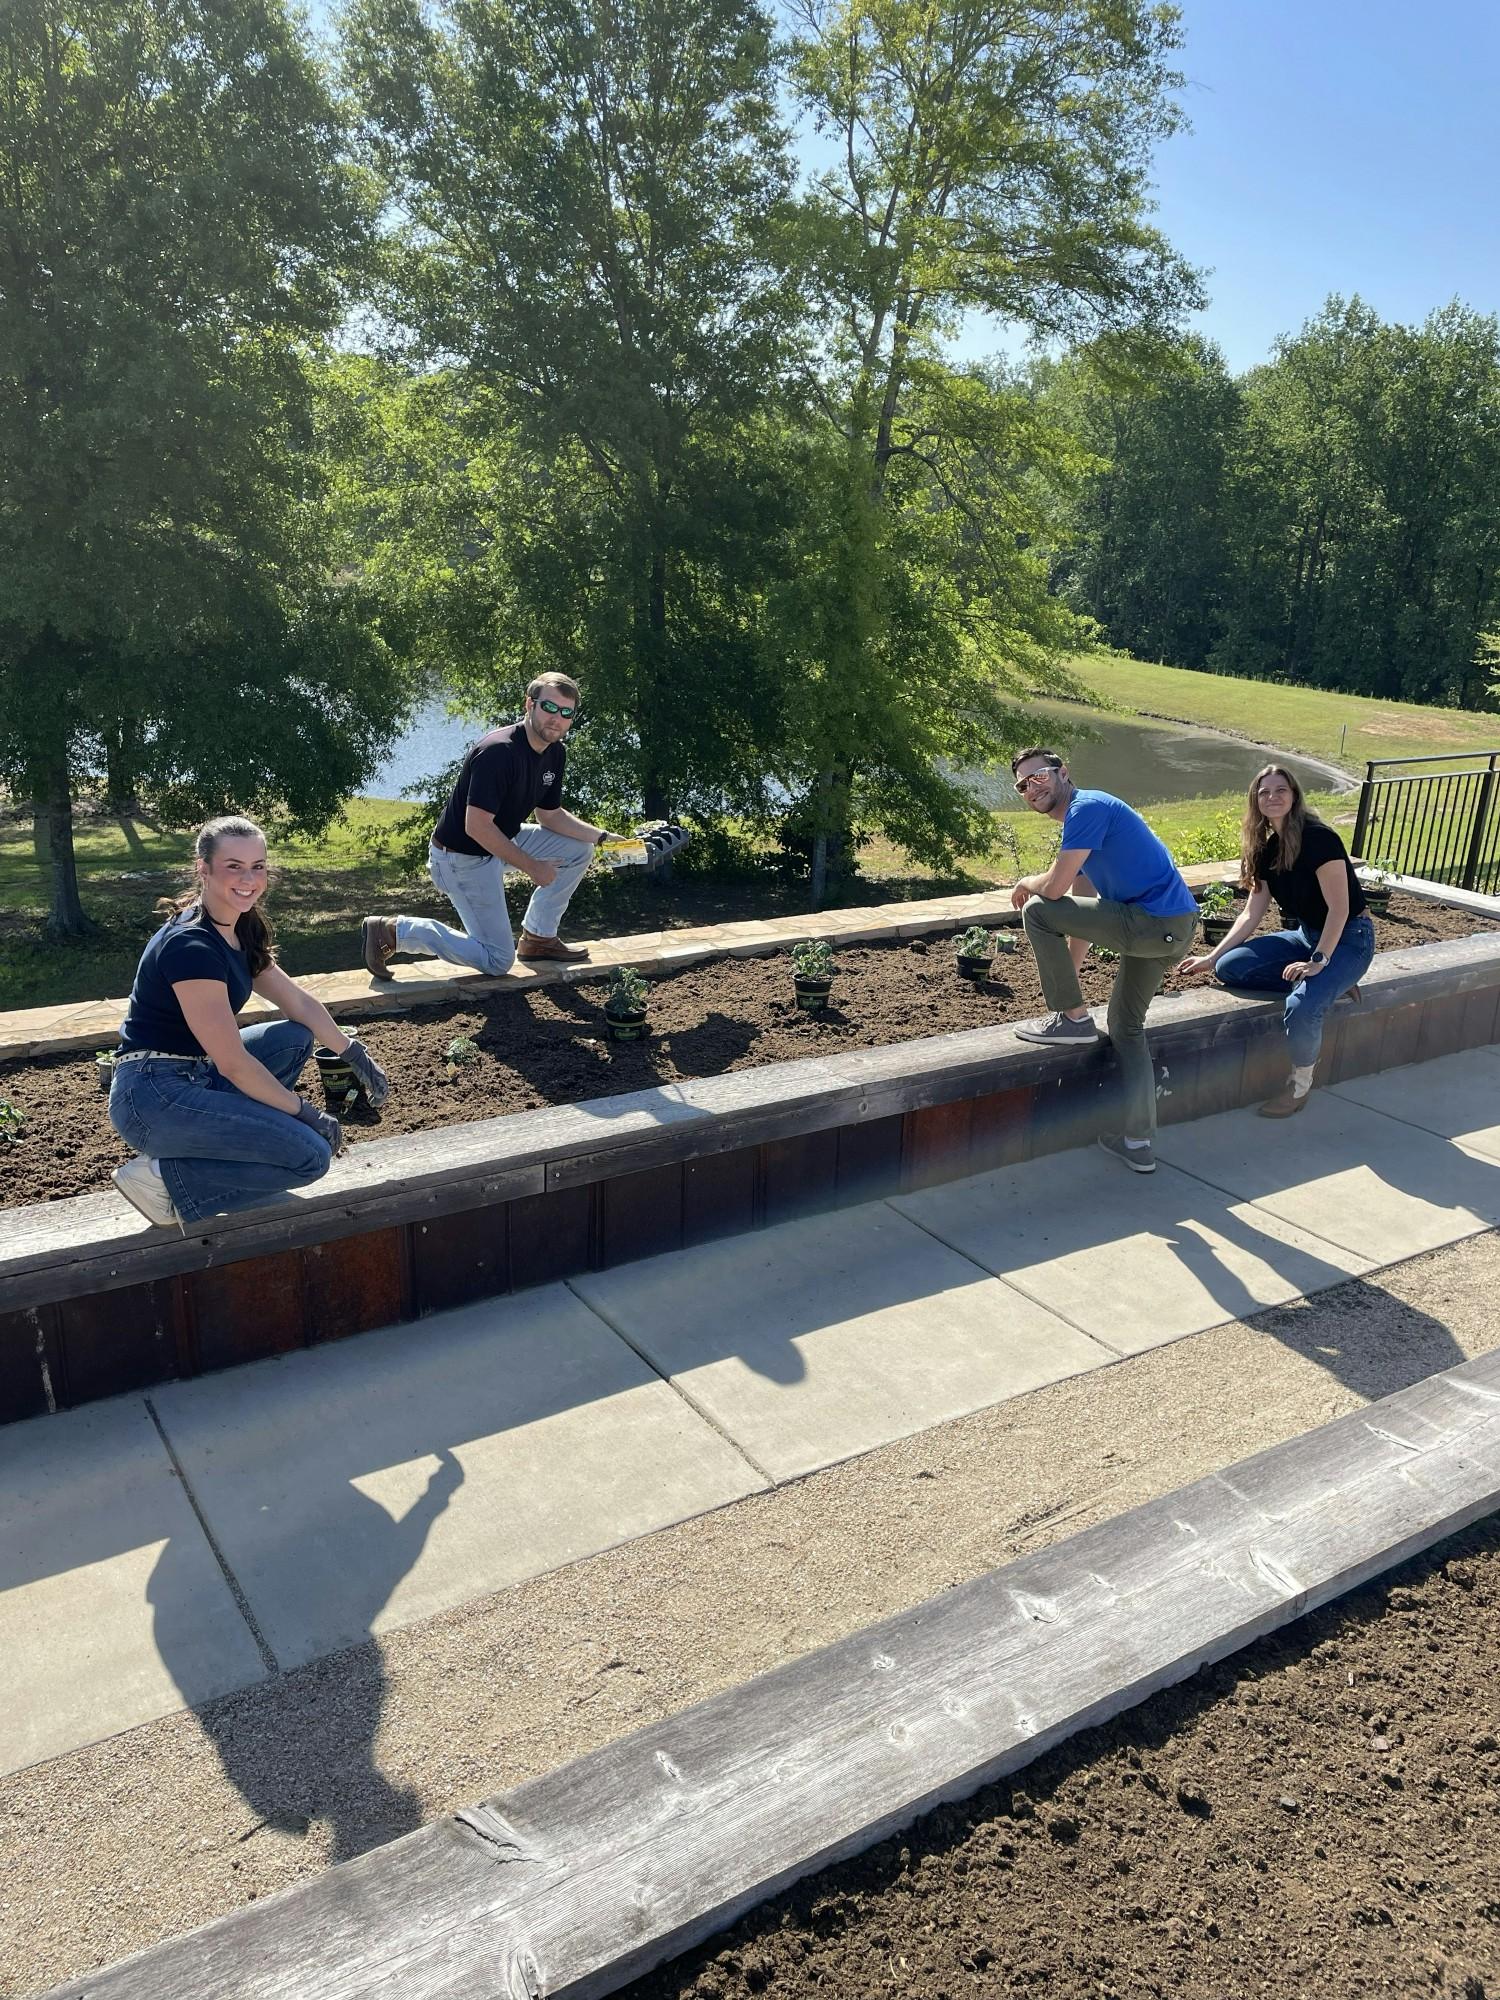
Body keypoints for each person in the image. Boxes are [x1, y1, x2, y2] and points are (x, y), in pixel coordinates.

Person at [109, 815, 390, 1232]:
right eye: (233, 866)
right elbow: (233, 1063)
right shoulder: (190, 945)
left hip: (193, 1076)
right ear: (203, 869)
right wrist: (305, 1112)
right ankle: (165, 1179)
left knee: (294, 1036)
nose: (249, 878)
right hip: (152, 1097)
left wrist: (351, 1052)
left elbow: (297, 1002)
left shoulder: (239, 928)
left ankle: (227, 1144)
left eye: (258, 866)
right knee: (309, 1156)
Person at [1008, 749, 1199, 1175]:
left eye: (1038, 776)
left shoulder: (1087, 806)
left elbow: (1054, 891)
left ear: (1063, 773)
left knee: (1036, 909)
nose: (1031, 787)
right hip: (1171, 929)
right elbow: (1084, 905)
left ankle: (1073, 1021)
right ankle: (1138, 1142)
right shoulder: (1087, 829)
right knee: (1126, 1028)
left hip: (1152, 923)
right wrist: (1068, 985)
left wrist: (1025, 881)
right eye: (1022, 785)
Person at [362, 673, 616, 979]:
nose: (557, 719)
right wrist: (532, 867)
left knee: (578, 849)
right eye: (549, 707)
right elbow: (477, 827)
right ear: (530, 704)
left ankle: (538, 938)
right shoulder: (499, 752)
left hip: (502, 841)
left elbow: (550, 816)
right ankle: (393, 931)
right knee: (497, 960)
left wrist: (603, 837)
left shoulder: (554, 752)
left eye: (566, 713)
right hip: (461, 858)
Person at [1179, 763, 1375, 1117]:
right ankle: (1334, 984)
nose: (1272, 797)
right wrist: (1211, 957)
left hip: (1348, 939)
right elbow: (1251, 913)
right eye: (1264, 792)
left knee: (1301, 1008)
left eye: (1280, 790)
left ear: (1294, 795)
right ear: (1255, 800)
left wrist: (1319, 962)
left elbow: (1340, 909)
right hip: (1307, 935)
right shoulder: (1266, 849)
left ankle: (1299, 1086)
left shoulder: (1320, 839)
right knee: (1231, 967)